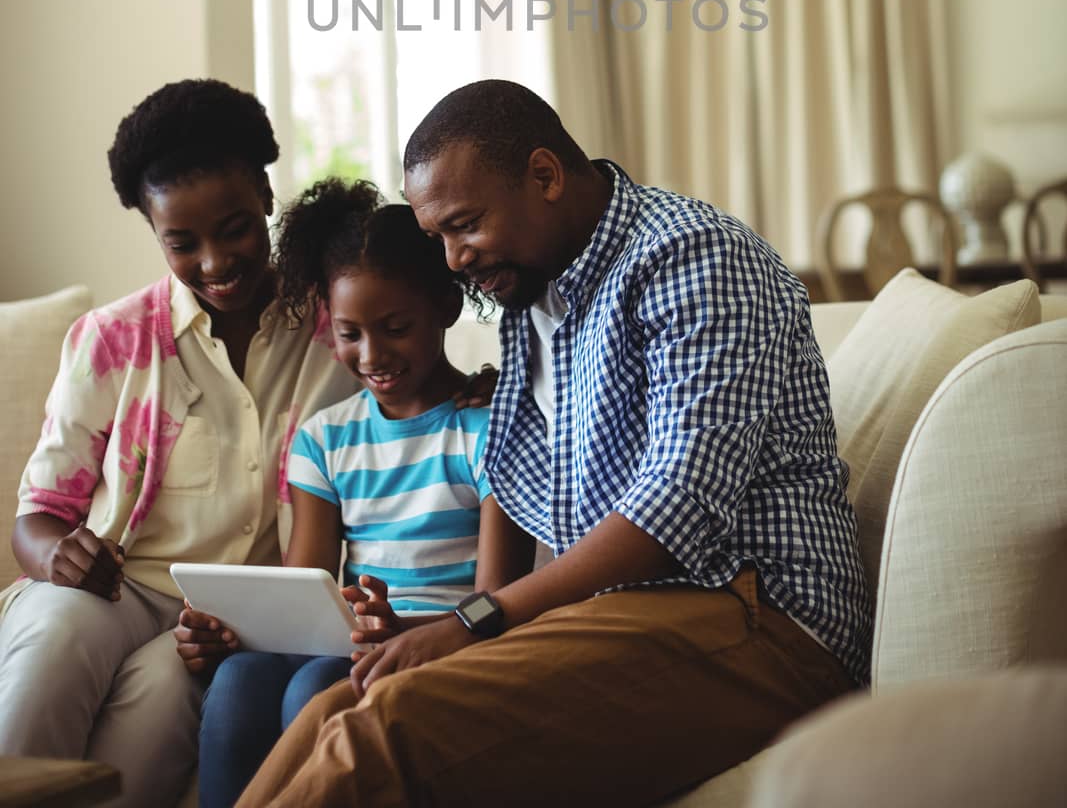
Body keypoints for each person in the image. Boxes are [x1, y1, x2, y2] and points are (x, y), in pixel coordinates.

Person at [236, 79, 873, 808]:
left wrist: (475, 621)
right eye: (437, 235)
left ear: (543, 176)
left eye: (463, 225)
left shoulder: (690, 256)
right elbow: (518, 491)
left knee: (383, 728)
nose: (451, 259)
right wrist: (444, 625)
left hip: (762, 619)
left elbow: (677, 508)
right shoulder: (535, 295)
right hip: (630, 614)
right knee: (332, 711)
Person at [0, 78, 492, 808]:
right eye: (181, 243)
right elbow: (38, 513)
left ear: (265, 195)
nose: (214, 261)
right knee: (54, 644)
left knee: (161, 719)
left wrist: (480, 386)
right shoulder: (111, 340)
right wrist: (54, 551)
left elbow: (407, 347)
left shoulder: (335, 326)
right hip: (112, 588)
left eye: (233, 227)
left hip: (234, 620)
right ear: (153, 233)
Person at [197, 177, 529, 808]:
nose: (372, 354)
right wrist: (228, 631)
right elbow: (302, 597)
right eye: (349, 333)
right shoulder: (324, 440)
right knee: (239, 680)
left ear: (446, 308)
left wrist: (407, 628)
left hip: (451, 639)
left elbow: (499, 603)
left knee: (314, 690)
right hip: (360, 641)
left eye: (396, 327)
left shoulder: (489, 430)